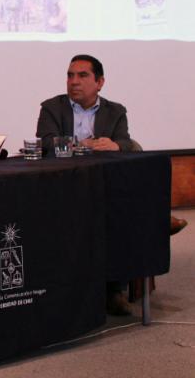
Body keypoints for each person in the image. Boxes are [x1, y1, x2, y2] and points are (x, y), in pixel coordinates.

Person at [35, 54, 188, 314]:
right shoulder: (52, 107)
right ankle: (158, 220)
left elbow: (127, 144)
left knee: (121, 208)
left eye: (82, 76)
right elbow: (46, 143)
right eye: (70, 75)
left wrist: (115, 145)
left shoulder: (115, 111)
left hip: (105, 187)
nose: (74, 82)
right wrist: (80, 146)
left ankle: (113, 290)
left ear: (100, 82)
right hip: (64, 188)